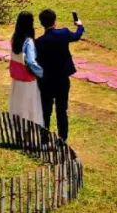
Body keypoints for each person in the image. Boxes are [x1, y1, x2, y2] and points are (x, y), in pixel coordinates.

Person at [34, 8, 84, 142]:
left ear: (41, 23)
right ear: (54, 21)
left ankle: (44, 137)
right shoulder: (63, 34)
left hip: (46, 81)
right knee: (61, 110)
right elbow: (77, 36)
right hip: (62, 80)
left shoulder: (38, 42)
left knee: (45, 110)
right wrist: (80, 25)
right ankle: (62, 138)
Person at [8, 12, 44, 125]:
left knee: (18, 105)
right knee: (29, 107)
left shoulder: (14, 39)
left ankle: (18, 126)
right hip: (28, 79)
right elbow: (31, 62)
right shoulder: (28, 42)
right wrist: (41, 73)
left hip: (17, 78)